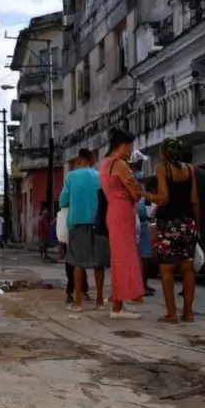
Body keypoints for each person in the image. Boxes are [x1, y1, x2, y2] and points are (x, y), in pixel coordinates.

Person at [149, 138, 200, 324]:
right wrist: (197, 225)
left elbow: (163, 198)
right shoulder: (189, 169)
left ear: (164, 153)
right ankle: (188, 313)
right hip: (188, 222)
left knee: (167, 269)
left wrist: (145, 194)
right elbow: (194, 199)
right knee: (187, 269)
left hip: (168, 223)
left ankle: (171, 315)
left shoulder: (163, 170)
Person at [100, 129, 147, 319]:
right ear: (124, 145)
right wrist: (135, 190)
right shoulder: (119, 164)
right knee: (123, 258)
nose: (132, 150)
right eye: (131, 146)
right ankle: (117, 308)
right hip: (122, 212)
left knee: (119, 257)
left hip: (114, 210)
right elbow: (136, 192)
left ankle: (119, 302)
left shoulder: (105, 163)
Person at [59, 148, 102, 310]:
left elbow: (63, 201)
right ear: (92, 161)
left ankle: (78, 303)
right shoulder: (100, 177)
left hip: (77, 223)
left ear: (79, 160)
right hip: (97, 222)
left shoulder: (71, 177)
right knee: (98, 263)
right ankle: (99, 302)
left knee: (78, 262)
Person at [181, 149, 205, 296]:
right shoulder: (203, 174)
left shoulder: (181, 174)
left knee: (185, 251)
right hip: (203, 214)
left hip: (187, 214)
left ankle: (187, 284)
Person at [131, 152, 157, 297]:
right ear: (138, 162)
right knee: (144, 252)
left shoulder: (126, 176)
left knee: (132, 252)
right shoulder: (142, 177)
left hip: (130, 214)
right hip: (142, 215)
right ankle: (143, 285)